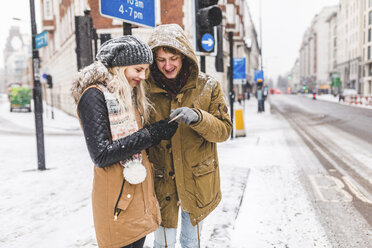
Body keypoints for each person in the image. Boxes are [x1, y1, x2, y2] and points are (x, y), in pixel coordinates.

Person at [71, 36, 178, 248]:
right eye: (138, 69)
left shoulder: (129, 94)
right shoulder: (94, 95)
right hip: (116, 203)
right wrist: (151, 134)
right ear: (119, 67)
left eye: (146, 70)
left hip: (138, 196)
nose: (143, 76)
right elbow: (101, 154)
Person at [145, 24, 233, 248]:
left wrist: (198, 118)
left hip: (196, 180)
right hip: (161, 182)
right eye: (161, 59)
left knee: (191, 242)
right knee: (163, 242)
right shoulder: (144, 89)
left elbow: (224, 131)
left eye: (173, 57)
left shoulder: (208, 86)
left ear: (184, 55)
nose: (167, 65)